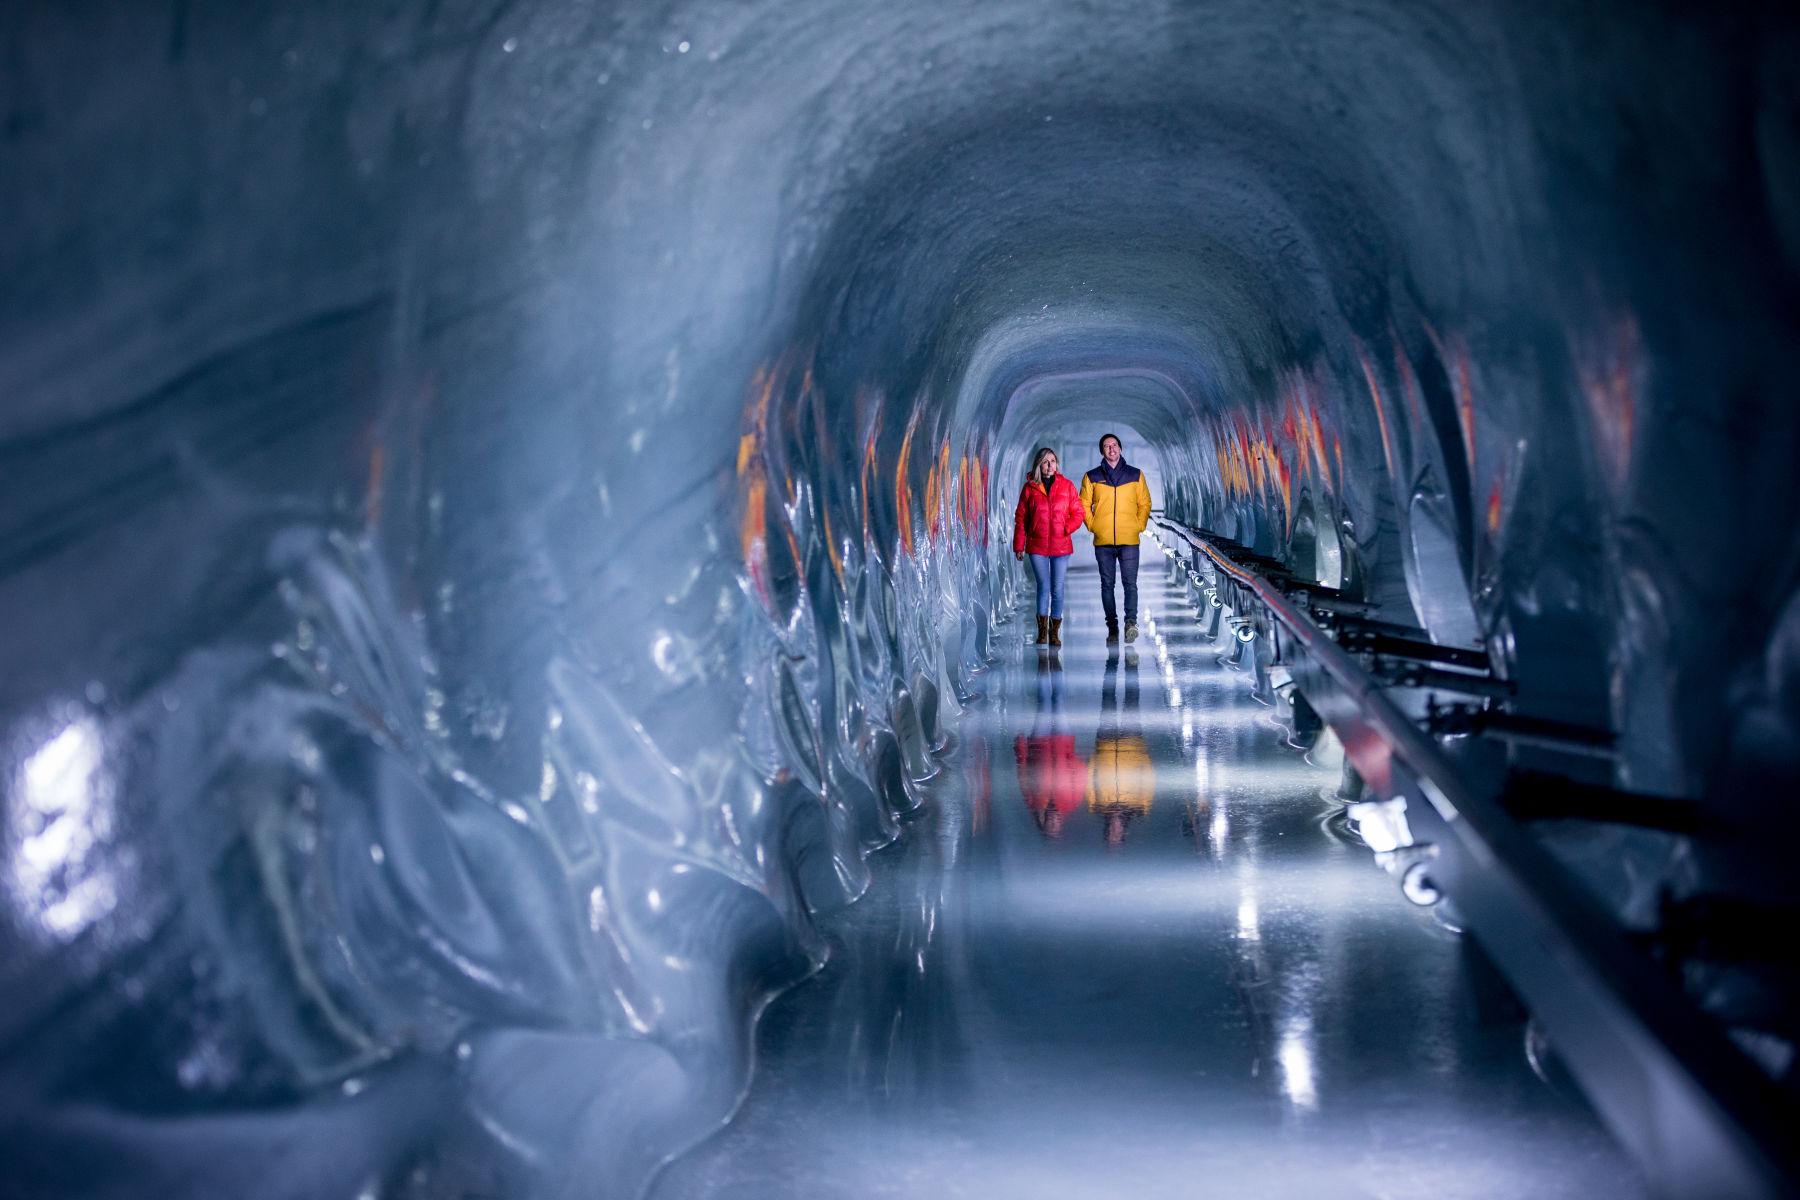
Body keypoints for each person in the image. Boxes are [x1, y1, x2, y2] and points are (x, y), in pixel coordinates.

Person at [1080, 433, 1152, 644]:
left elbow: (1145, 503)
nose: (1111, 449)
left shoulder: (1135, 475)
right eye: (1106, 446)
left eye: (1114, 445)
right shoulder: (1092, 476)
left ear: (1120, 448)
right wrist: (1093, 525)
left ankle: (1131, 623)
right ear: (1102, 451)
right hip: (1103, 542)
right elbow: (1083, 504)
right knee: (1107, 584)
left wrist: (1139, 525)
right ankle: (1112, 626)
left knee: (1130, 583)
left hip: (1129, 539)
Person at [1012, 446, 1086, 647]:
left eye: (1053, 461)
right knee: (1043, 587)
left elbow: (1079, 512)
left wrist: (1066, 527)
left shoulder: (1067, 486)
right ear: (1038, 465)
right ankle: (1042, 631)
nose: (1049, 465)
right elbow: (1021, 518)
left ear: (1057, 464)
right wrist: (1019, 545)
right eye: (1045, 462)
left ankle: (1054, 632)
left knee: (1058, 588)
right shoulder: (1029, 489)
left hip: (1061, 546)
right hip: (1037, 546)